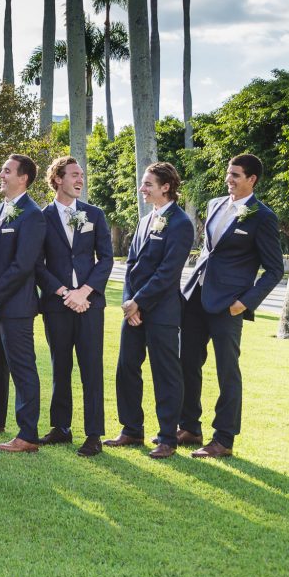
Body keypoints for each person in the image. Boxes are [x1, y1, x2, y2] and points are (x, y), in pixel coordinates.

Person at [179, 154, 284, 458]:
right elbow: (209, 252)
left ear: (252, 179)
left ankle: (223, 440)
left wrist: (245, 302)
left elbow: (275, 269)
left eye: (236, 175)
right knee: (187, 361)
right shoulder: (214, 204)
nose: (230, 179)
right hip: (196, 297)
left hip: (229, 306)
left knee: (227, 371)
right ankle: (189, 427)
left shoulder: (262, 216)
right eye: (229, 173)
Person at [106, 162, 193, 459]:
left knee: (165, 373)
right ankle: (131, 429)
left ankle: (168, 437)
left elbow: (168, 272)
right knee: (126, 368)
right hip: (135, 310)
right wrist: (130, 302)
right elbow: (131, 265)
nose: (142, 188)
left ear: (165, 186)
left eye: (148, 184)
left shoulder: (181, 223)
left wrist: (139, 302)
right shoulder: (145, 220)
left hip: (163, 311)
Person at [35, 157, 113, 457]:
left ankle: (94, 434)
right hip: (57, 304)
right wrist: (65, 292)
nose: (80, 180)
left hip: (90, 304)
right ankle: (60, 428)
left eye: (82, 175)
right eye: (73, 175)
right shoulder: (42, 217)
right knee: (60, 366)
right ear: (57, 179)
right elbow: (37, 264)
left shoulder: (94, 214)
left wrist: (84, 292)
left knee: (91, 367)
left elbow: (106, 258)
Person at [0, 154, 46, 453]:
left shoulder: (32, 214)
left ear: (23, 178)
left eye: (7, 170)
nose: (1, 174)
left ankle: (28, 435)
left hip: (15, 305)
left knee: (22, 368)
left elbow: (23, 264)